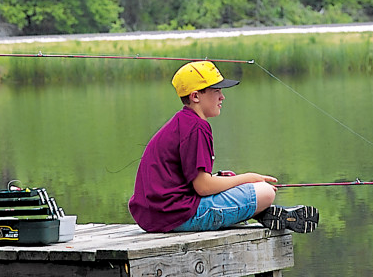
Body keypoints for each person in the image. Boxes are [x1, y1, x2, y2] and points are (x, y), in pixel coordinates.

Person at [128, 60, 318, 234]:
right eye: (216, 91)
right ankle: (258, 211)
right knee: (265, 192)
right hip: (176, 216)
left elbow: (193, 183)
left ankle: (255, 212)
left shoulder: (182, 122)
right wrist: (249, 178)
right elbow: (203, 187)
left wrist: (231, 180)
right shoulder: (196, 127)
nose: (222, 97)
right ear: (195, 96)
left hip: (154, 216)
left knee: (231, 179)